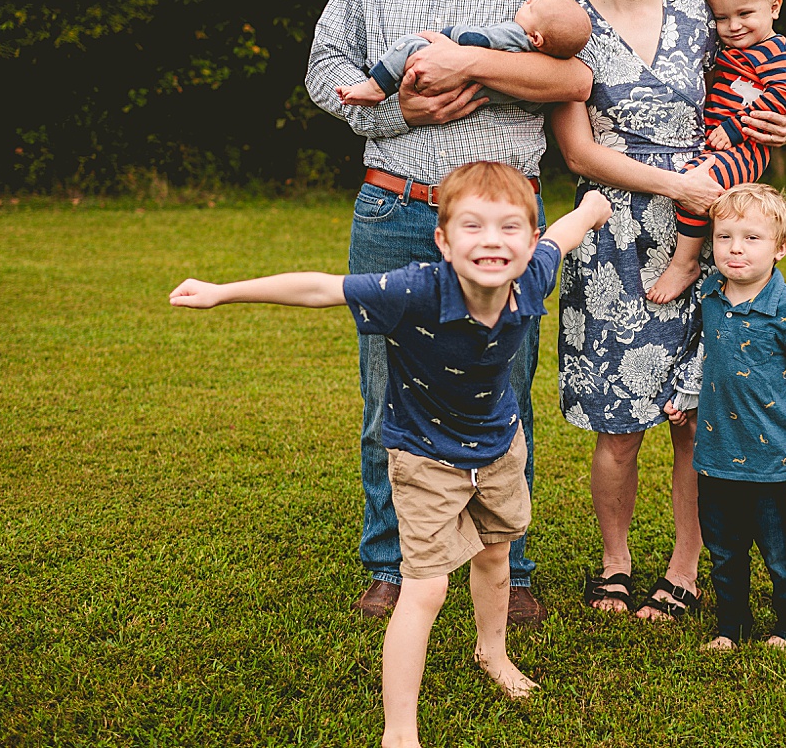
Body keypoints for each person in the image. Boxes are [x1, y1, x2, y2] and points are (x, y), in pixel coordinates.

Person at [170, 162, 613, 747]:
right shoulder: (416, 289)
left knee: (496, 558)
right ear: (443, 240)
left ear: (529, 242)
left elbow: (568, 231)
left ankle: (493, 654)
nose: (491, 240)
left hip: (500, 448)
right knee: (425, 589)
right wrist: (223, 293)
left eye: (510, 228)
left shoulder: (533, 276)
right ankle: (399, 731)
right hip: (425, 457)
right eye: (472, 226)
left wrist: (593, 207)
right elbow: (320, 287)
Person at [304, 0, 593, 623]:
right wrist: (400, 112)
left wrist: (468, 59)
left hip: (503, 226)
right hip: (394, 210)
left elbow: (572, 78)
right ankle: (393, 560)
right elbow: (326, 66)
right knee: (385, 395)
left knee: (502, 392)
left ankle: (512, 566)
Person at [549, 0, 786, 621]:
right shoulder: (570, 23)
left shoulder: (700, 14)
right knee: (619, 425)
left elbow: (756, 88)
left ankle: (685, 567)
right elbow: (577, 152)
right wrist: (673, 188)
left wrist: (785, 124)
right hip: (614, 234)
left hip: (708, 231)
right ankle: (614, 563)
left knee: (694, 416)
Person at [665, 183, 786, 651]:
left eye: (751, 238)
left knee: (780, 553)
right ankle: (729, 628)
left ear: (781, 247)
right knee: (725, 551)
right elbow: (706, 357)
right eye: (724, 237)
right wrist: (686, 401)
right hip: (715, 454)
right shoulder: (711, 294)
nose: (735, 248)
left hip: (772, 458)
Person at [645, 0, 786, 304]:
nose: (733, 26)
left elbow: (781, 96)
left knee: (693, 183)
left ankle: (685, 263)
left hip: (747, 146)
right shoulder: (733, 48)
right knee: (707, 195)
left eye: (745, 14)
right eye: (722, 18)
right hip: (725, 143)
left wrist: (733, 129)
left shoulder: (775, 52)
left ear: (774, 8)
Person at [336, 0, 592, 107]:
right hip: (471, 96)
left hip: (437, 71)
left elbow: (479, 38)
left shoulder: (515, 34)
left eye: (533, 8)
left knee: (411, 45)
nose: (529, 1)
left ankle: (376, 86)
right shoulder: (537, 69)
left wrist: (448, 37)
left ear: (536, 38)